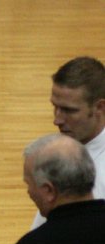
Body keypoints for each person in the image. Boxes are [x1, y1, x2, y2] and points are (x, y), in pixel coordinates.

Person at [31, 56, 104, 229]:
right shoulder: (72, 148)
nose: (57, 120)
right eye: (55, 107)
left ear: (100, 108)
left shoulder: (99, 179)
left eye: (68, 110)